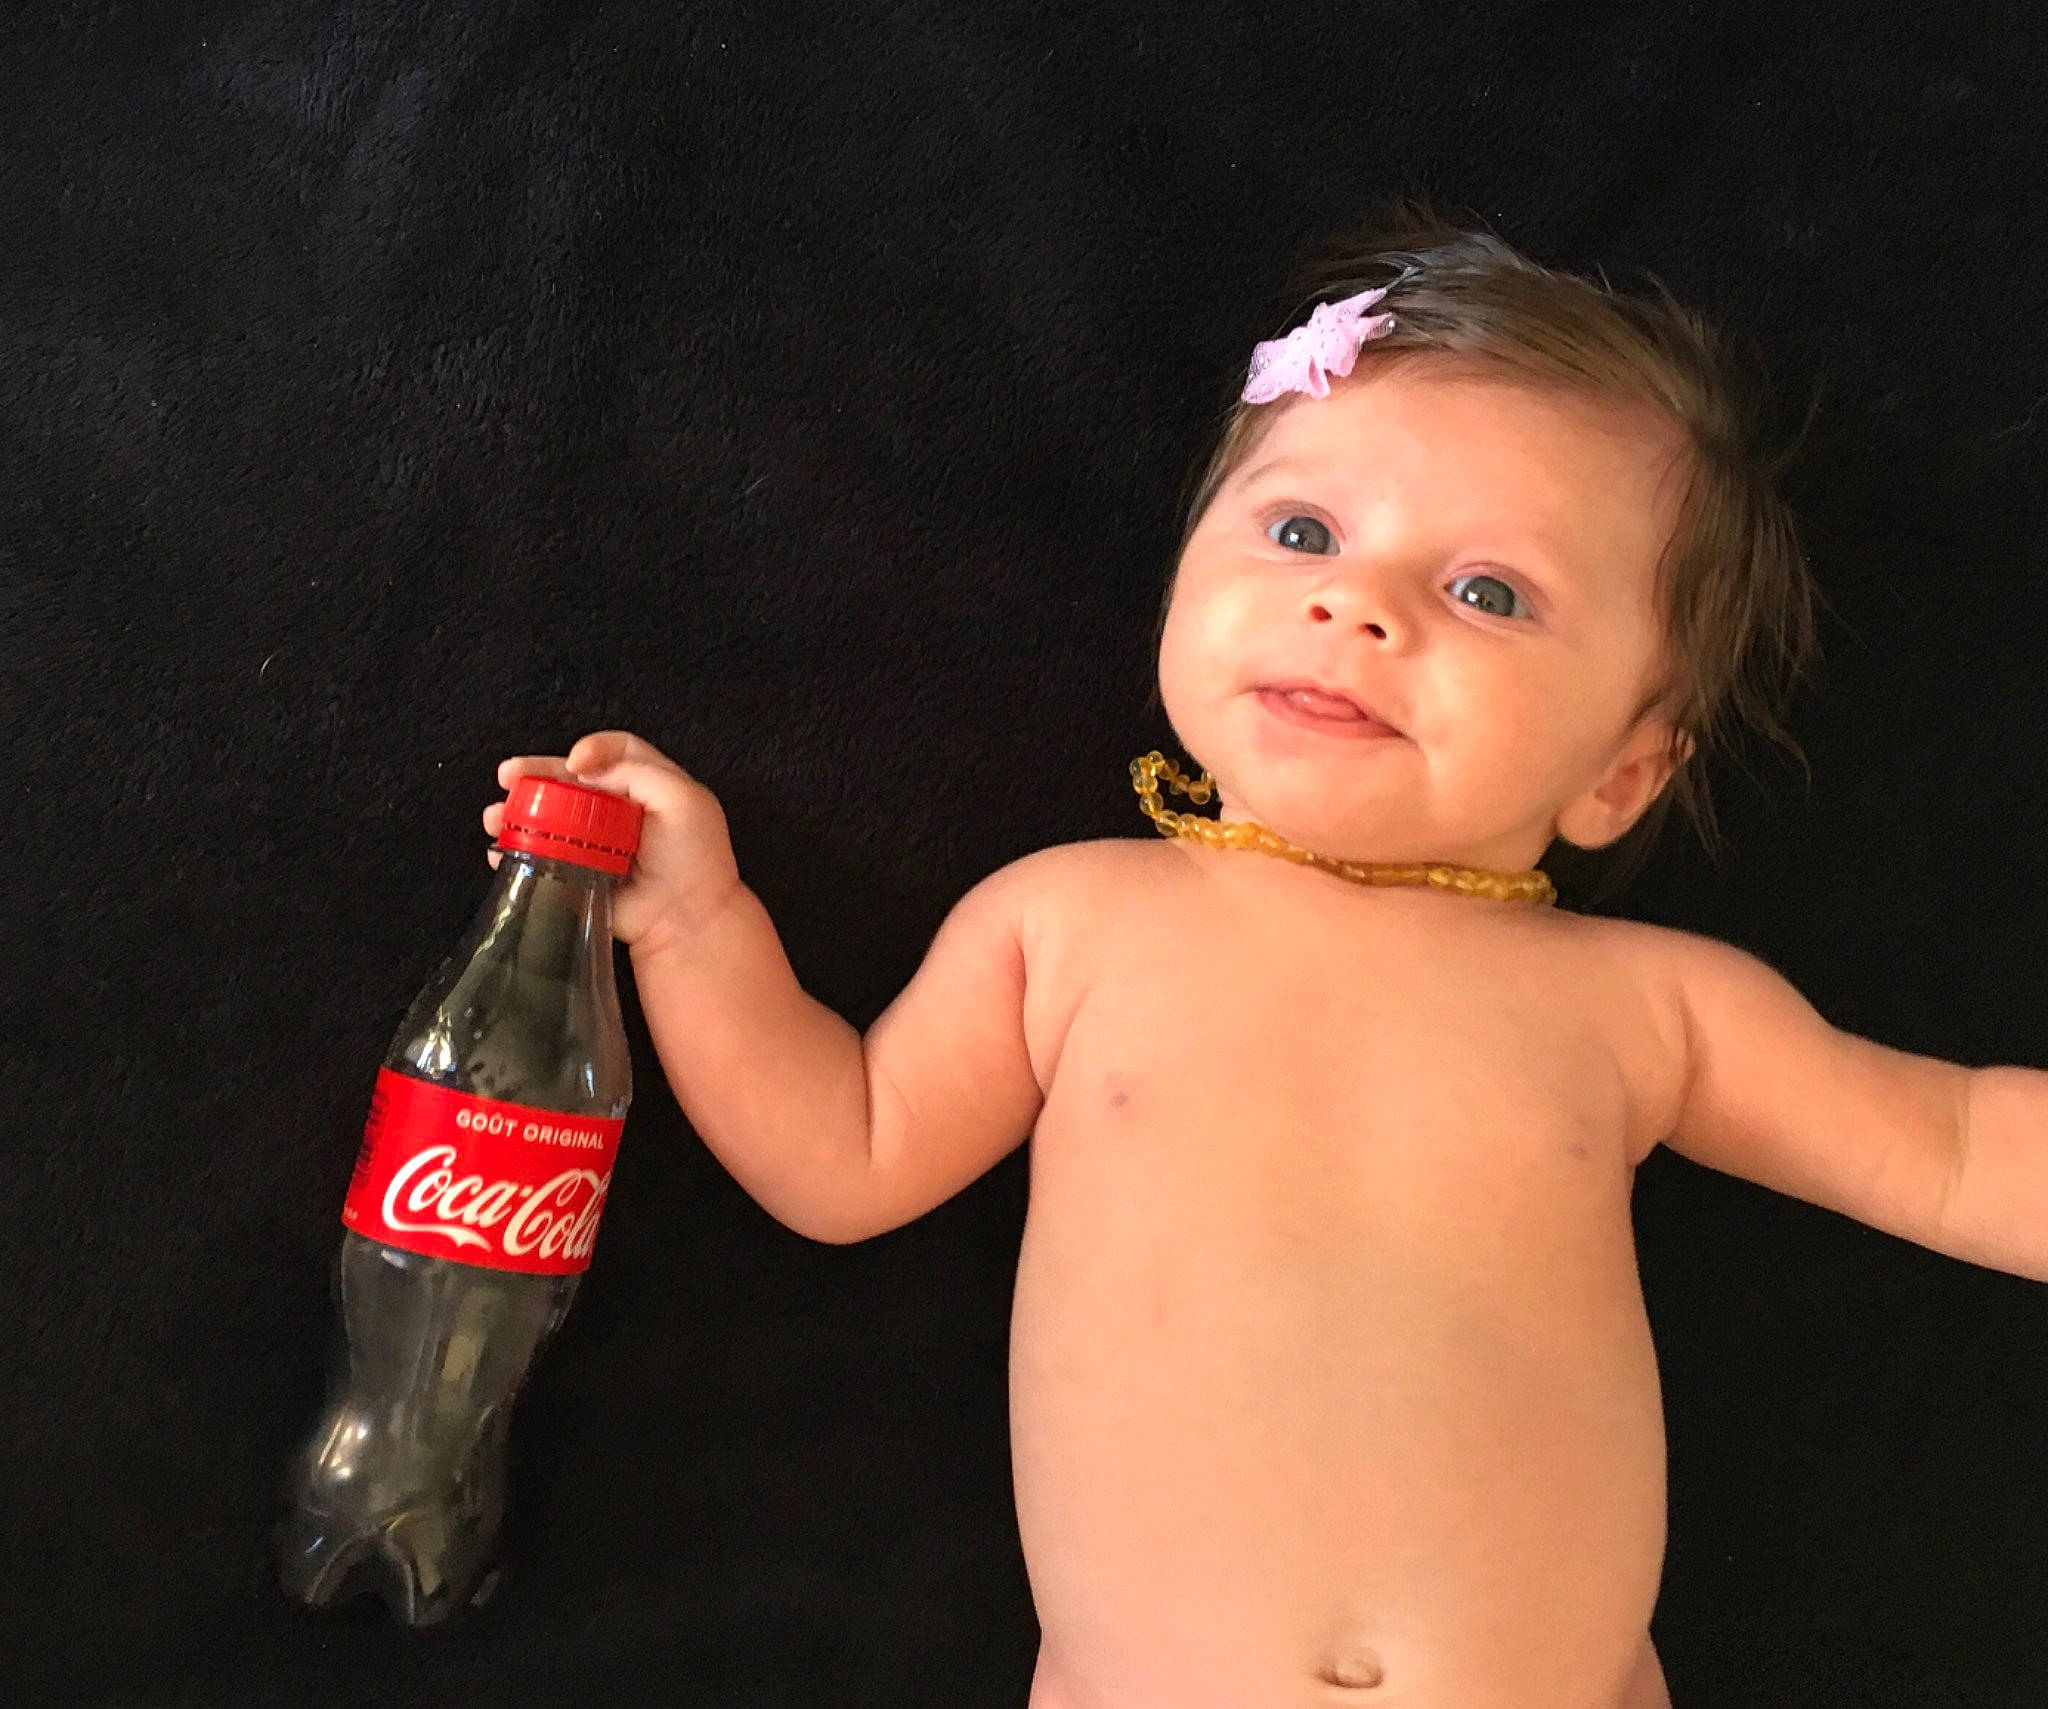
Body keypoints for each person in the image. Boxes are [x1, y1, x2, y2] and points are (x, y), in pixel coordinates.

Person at [484, 208, 2046, 1707]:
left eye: (1487, 591)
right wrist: (695, 924)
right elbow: (844, 1149)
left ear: (1621, 774)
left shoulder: (1652, 1003)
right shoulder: (1073, 924)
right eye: (1302, 528)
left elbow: (1957, 1144)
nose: (1353, 603)